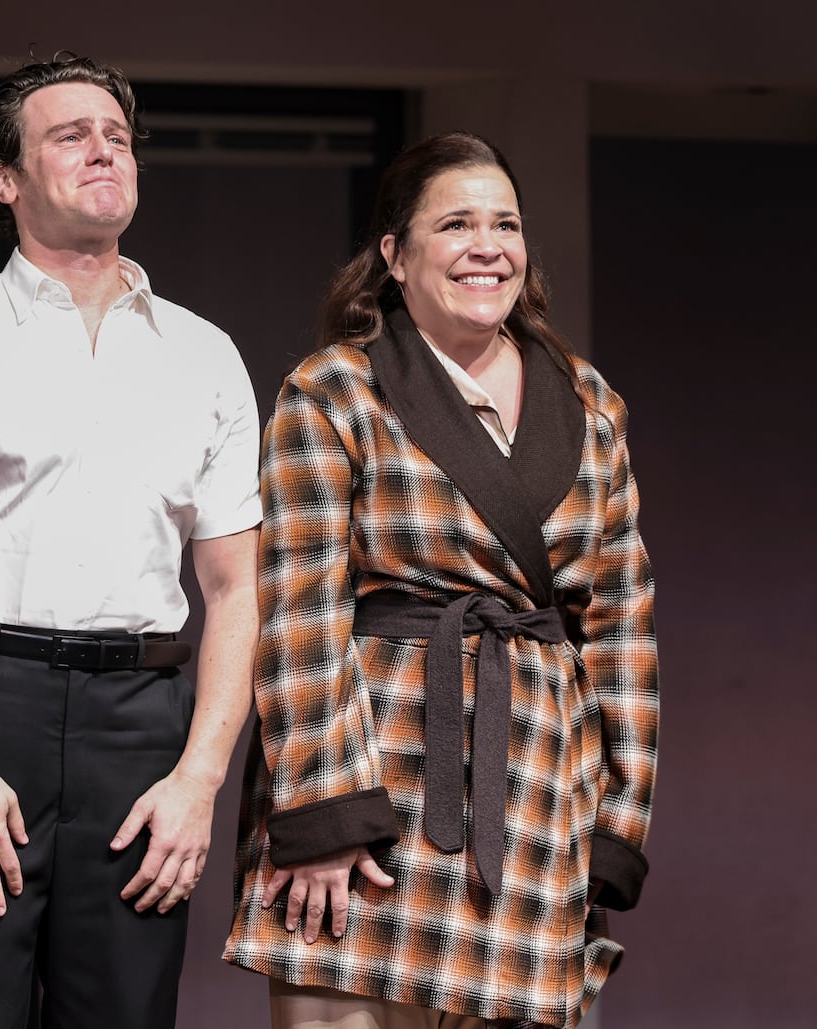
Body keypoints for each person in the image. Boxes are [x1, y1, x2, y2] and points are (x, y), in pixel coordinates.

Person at [0, 54, 262, 1029]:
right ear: (7, 179)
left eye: (116, 136)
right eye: (70, 134)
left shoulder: (203, 355)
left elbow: (237, 589)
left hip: (139, 723)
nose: (103, 150)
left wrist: (200, 781)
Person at [224, 132, 659, 1029]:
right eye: (456, 224)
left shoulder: (588, 404)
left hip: (537, 792)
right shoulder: (334, 391)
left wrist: (619, 817)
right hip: (375, 786)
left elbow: (620, 626)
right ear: (395, 254)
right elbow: (300, 611)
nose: (487, 245)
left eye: (505, 223)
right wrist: (324, 813)